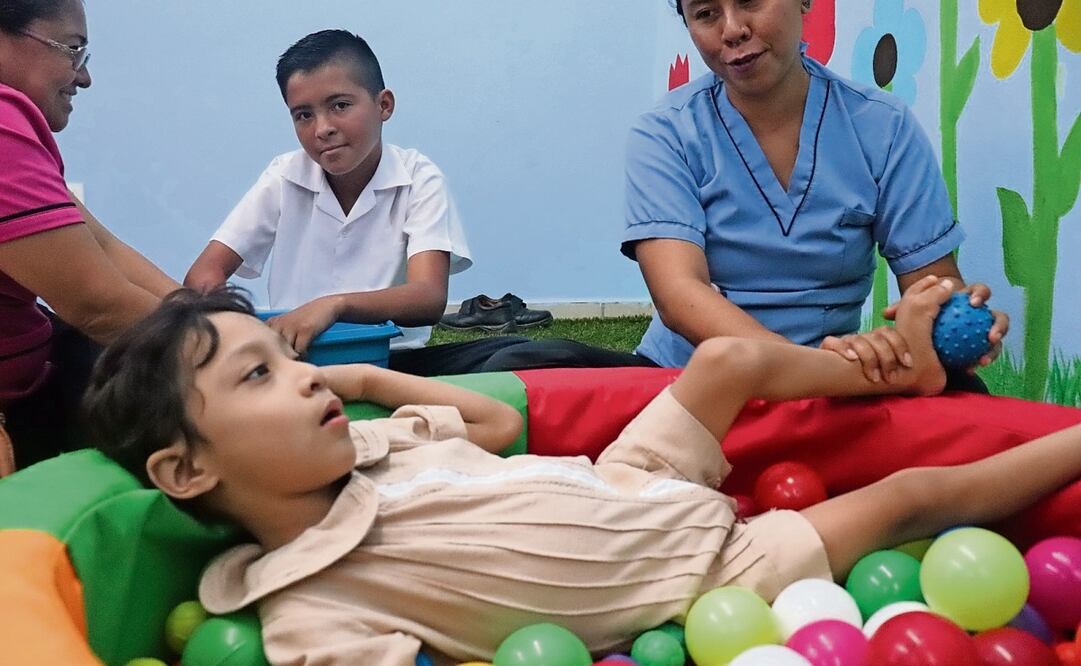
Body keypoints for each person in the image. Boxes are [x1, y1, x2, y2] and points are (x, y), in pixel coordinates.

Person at [83, 278, 1081, 664]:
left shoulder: (377, 452)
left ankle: (895, 370)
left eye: (292, 358)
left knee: (728, 361)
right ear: (183, 469)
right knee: (908, 498)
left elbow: (490, 422)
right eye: (264, 374)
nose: (304, 383)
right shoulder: (307, 605)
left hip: (627, 480)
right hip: (705, 578)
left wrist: (360, 373)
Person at [621, 0, 1009, 390]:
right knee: (559, 363)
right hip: (692, 380)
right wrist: (819, 371)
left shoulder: (883, 126)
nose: (732, 29)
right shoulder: (665, 133)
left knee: (968, 395)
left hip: (839, 384)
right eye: (706, 14)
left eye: (750, 1)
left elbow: (934, 284)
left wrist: (958, 312)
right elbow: (679, 294)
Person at [0, 0, 177, 467]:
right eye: (72, 50)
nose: (84, 77)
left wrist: (210, 317)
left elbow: (103, 245)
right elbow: (95, 303)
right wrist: (235, 349)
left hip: (38, 378)